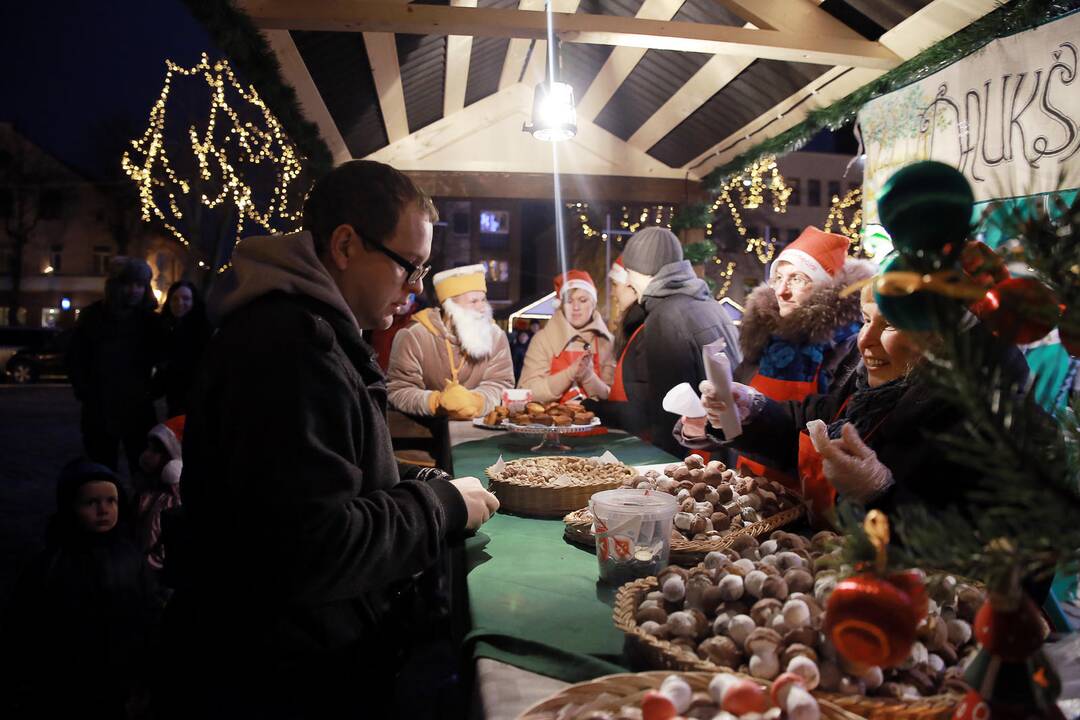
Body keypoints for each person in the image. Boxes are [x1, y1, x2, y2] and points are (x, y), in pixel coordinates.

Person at [162, 160, 499, 718]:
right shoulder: (288, 349)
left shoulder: (311, 329)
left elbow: (329, 466)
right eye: (408, 267)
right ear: (345, 245)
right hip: (280, 677)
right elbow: (313, 547)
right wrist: (438, 507)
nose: (415, 291)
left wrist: (416, 478)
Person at [684, 283, 1031, 523]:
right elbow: (808, 428)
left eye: (891, 325)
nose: (865, 340)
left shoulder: (998, 426)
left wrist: (882, 495)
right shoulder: (864, 386)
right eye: (866, 320)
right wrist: (750, 413)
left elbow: (991, 557)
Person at [1, 459, 159, 719]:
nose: (103, 510)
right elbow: (25, 625)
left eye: (111, 500)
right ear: (70, 507)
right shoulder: (51, 564)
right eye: (91, 502)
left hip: (122, 674)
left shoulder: (130, 557)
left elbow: (148, 611)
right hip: (70, 679)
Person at [731, 227, 875, 481]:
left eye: (797, 279)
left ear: (825, 289)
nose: (781, 290)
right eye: (778, 277)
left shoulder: (850, 348)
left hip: (809, 488)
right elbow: (737, 415)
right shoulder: (763, 338)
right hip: (749, 481)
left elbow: (834, 426)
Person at [603, 226, 741, 457]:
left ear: (640, 270)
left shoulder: (665, 317)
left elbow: (667, 415)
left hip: (695, 460)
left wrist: (662, 478)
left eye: (629, 271)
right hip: (725, 453)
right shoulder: (710, 306)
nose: (628, 281)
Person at [67, 256, 163, 475]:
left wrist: (152, 391)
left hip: (137, 408)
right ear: (116, 286)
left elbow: (166, 359)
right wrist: (85, 391)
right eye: (129, 284)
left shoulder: (150, 322)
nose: (135, 290)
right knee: (101, 469)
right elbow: (76, 358)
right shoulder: (93, 317)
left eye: (140, 285)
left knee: (143, 470)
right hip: (99, 408)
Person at [387, 264, 514, 420]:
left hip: (481, 430)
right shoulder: (413, 336)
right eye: (473, 301)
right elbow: (399, 390)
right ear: (450, 307)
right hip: (428, 434)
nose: (482, 308)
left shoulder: (495, 337)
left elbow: (500, 383)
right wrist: (436, 402)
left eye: (483, 300)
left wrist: (476, 402)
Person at [518, 270, 615, 403]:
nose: (576, 307)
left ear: (593, 303)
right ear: (561, 306)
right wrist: (569, 374)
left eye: (583, 300)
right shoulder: (542, 340)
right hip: (549, 422)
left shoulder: (607, 342)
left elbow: (614, 397)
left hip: (598, 423)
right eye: (569, 301)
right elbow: (527, 393)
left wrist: (588, 377)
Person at [156, 280, 213, 417]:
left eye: (186, 298)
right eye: (174, 299)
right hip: (173, 399)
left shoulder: (203, 331)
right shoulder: (166, 328)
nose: (180, 303)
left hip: (195, 400)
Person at [135, 416, 184, 571]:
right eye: (148, 448)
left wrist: (147, 564)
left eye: (155, 450)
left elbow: (157, 538)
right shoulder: (152, 487)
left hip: (156, 569)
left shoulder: (170, 500)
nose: (146, 455)